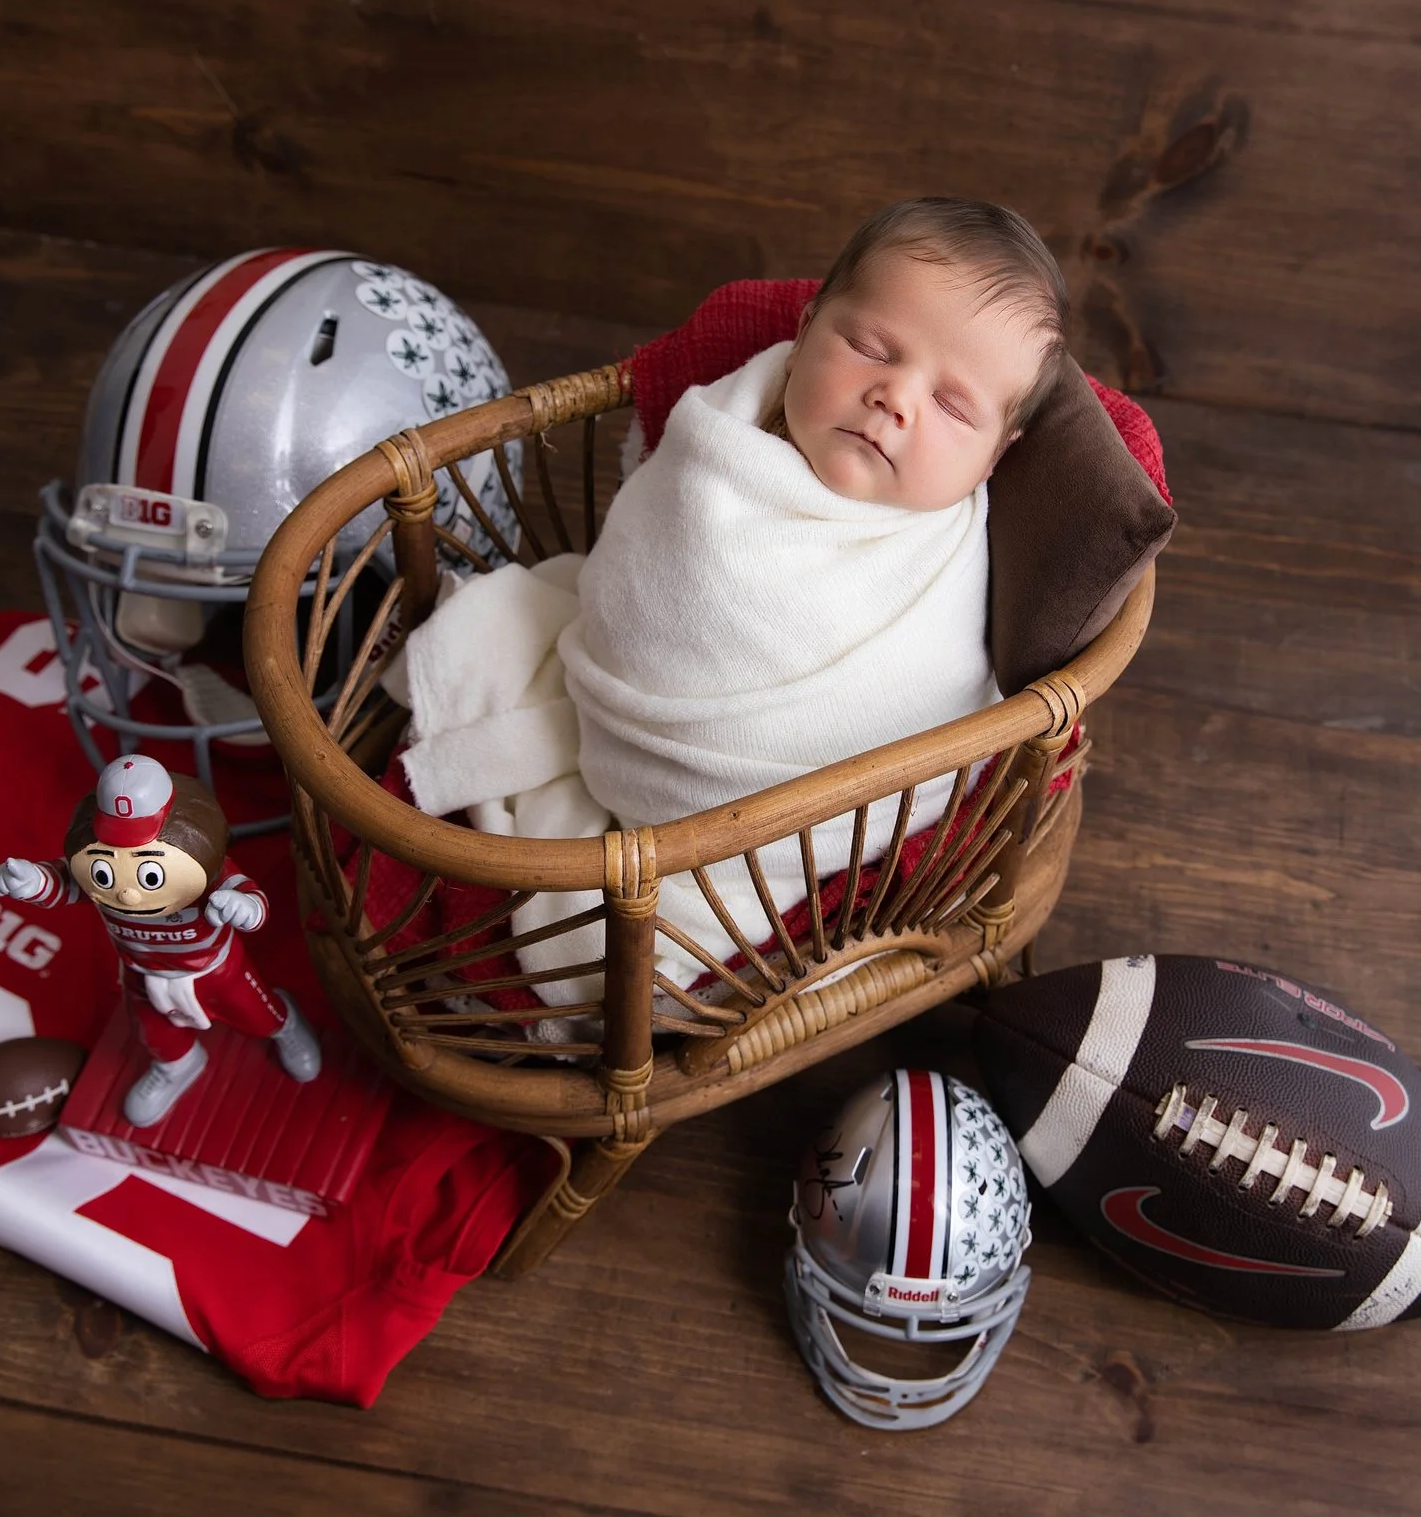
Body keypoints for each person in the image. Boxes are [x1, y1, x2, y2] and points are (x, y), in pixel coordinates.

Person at [389, 198, 1071, 1003]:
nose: (896, 398)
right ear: (809, 328)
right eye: (869, 347)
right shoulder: (722, 436)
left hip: (775, 829)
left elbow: (931, 709)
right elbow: (641, 577)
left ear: (999, 453)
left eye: (954, 407)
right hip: (617, 724)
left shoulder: (952, 555)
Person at [0, 754, 319, 1123]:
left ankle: (284, 1025)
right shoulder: (93, 871)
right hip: (142, 972)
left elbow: (252, 900)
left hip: (213, 970)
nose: (128, 895)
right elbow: (64, 882)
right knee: (155, 1032)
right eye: (106, 873)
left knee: (256, 1012)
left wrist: (245, 909)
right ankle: (177, 1065)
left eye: (147, 875)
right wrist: (31, 881)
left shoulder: (209, 873)